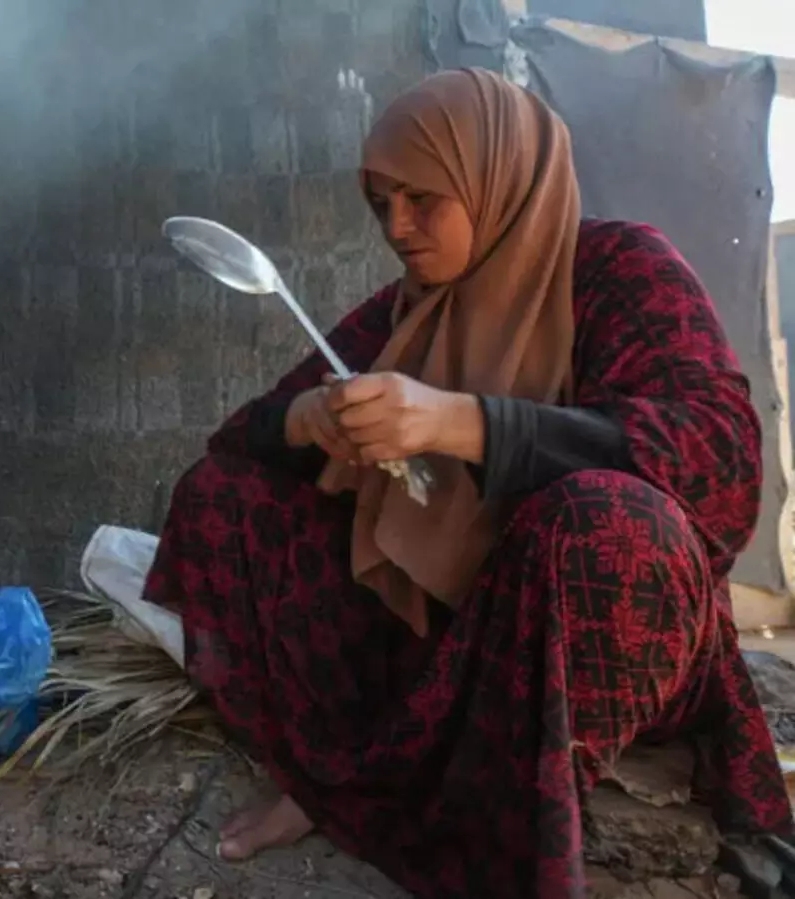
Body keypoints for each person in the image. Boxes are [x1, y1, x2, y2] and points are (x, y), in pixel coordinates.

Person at [144, 67, 793, 898]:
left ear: (497, 179)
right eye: (381, 204)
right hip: (437, 648)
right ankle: (348, 767)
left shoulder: (620, 269)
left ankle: (406, 799)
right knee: (222, 497)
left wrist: (463, 423)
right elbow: (240, 443)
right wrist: (312, 417)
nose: (398, 227)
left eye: (423, 199)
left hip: (605, 631)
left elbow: (718, 457)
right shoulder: (405, 313)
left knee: (600, 523)